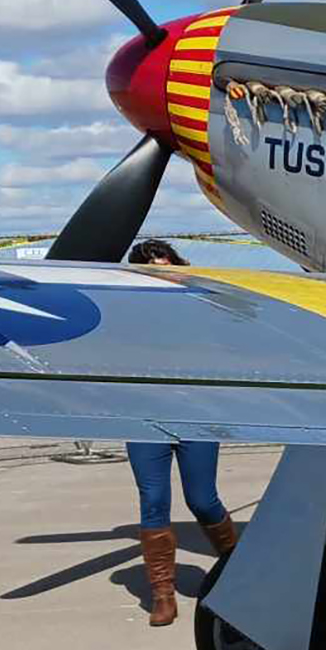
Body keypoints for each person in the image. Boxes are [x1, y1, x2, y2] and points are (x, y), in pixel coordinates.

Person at [124, 239, 238, 625]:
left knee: (203, 500)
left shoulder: (200, 305)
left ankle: (240, 572)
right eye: (149, 269)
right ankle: (163, 594)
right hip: (144, 416)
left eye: (164, 265)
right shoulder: (126, 314)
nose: (159, 272)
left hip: (196, 414)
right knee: (153, 499)